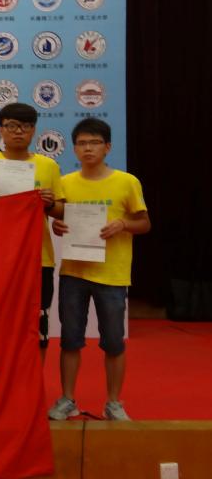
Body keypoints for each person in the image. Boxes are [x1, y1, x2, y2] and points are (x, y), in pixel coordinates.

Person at [48, 118, 150, 422]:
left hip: (112, 275)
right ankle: (67, 399)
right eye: (81, 143)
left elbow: (144, 223)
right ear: (74, 149)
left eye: (94, 142)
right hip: (74, 273)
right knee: (70, 340)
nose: (88, 148)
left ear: (107, 147)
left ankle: (114, 402)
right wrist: (57, 225)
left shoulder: (127, 182)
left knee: (114, 342)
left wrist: (123, 224)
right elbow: (59, 219)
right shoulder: (66, 182)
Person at [0, 102, 64, 356]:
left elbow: (62, 211)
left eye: (25, 126)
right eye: (12, 126)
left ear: (33, 130)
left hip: (38, 258)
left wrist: (49, 204)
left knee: (37, 326)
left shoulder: (48, 166)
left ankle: (35, 380)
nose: (18, 132)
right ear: (1, 129)